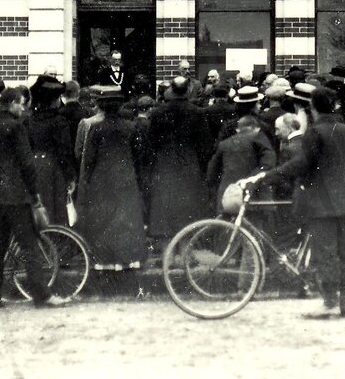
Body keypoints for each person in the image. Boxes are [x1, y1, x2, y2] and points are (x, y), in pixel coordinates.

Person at [254, 84, 345, 319]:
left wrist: (268, 176)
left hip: (322, 202)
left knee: (325, 253)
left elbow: (303, 164)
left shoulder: (315, 132)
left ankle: (329, 303)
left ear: (312, 107)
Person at [0, 88, 67, 309]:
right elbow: (27, 164)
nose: (24, 108)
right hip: (16, 197)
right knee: (30, 247)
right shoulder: (16, 128)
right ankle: (41, 296)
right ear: (14, 103)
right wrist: (35, 196)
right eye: (22, 103)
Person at [75, 86, 149, 291]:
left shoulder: (96, 129)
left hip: (102, 180)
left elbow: (88, 159)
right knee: (126, 221)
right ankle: (128, 261)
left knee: (106, 221)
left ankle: (106, 262)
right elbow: (138, 156)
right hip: (125, 179)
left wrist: (87, 182)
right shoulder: (131, 127)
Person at [142, 76, 211, 250]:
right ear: (188, 89)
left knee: (165, 205)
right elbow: (205, 144)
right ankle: (186, 247)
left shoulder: (158, 112)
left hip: (164, 163)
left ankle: (167, 250)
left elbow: (151, 141)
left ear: (171, 90)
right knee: (187, 205)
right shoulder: (197, 112)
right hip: (189, 163)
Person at [27, 75, 76, 226]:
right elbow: (64, 151)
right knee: (55, 210)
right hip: (53, 169)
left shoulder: (28, 120)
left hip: (33, 167)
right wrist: (70, 176)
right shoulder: (59, 122)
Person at [206, 115, 275, 214]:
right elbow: (268, 164)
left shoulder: (224, 144)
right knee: (255, 226)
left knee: (228, 227)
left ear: (238, 130)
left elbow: (211, 172)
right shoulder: (259, 140)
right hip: (254, 195)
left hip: (228, 196)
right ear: (256, 128)